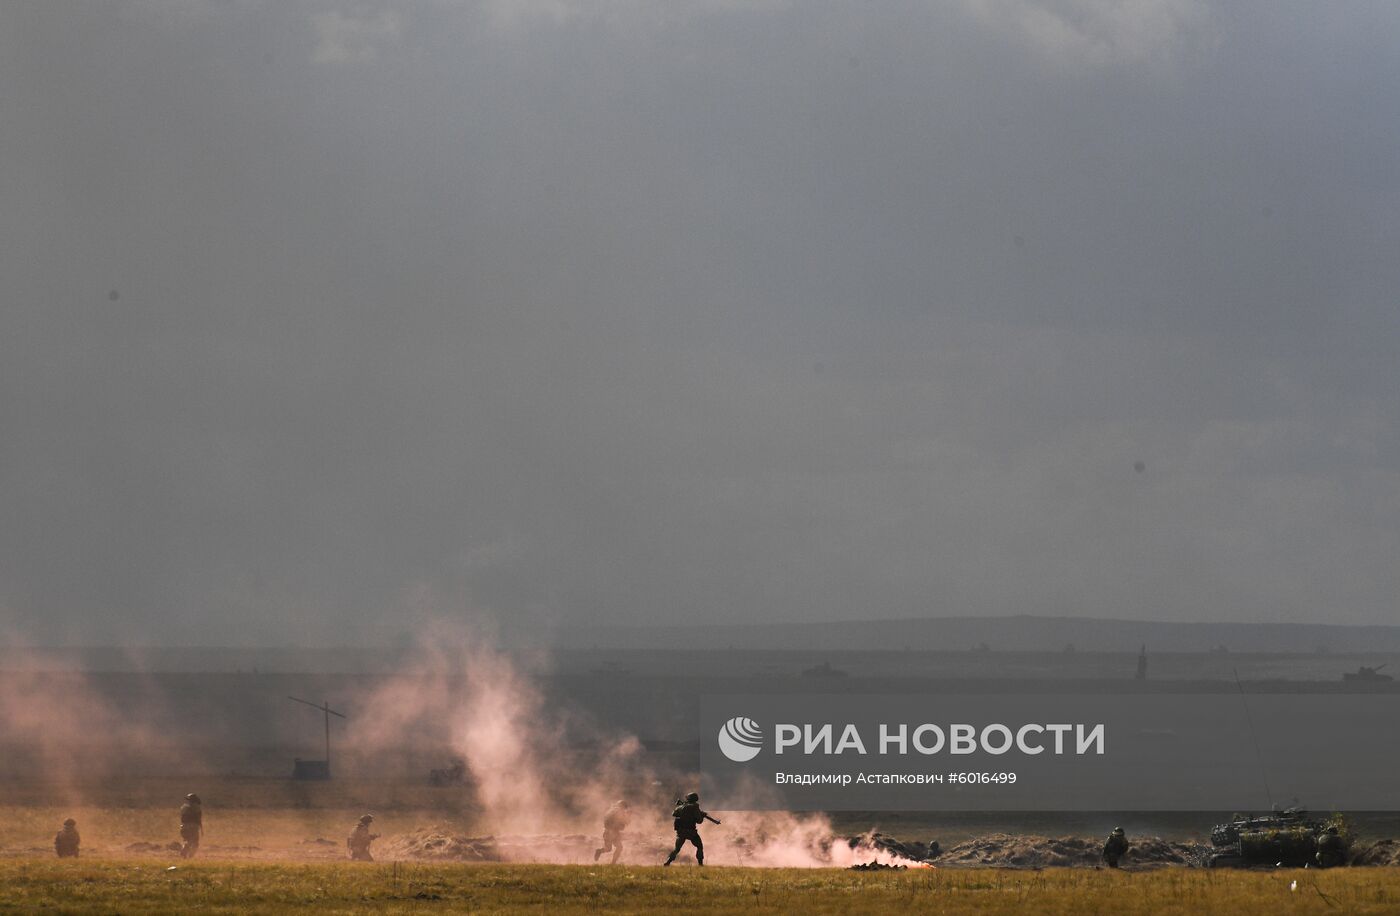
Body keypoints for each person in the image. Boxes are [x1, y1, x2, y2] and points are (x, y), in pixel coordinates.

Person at [664, 792, 719, 867]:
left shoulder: (682, 807)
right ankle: (700, 865)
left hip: (681, 832)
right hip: (691, 832)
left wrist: (683, 807)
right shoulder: (695, 807)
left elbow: (674, 813)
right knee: (699, 846)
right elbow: (699, 821)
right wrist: (701, 815)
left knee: (677, 849)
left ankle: (668, 862)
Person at [179, 793, 203, 859]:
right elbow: (199, 818)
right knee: (195, 843)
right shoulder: (197, 808)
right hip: (193, 827)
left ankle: (185, 852)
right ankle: (190, 856)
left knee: (187, 840)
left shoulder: (183, 807)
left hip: (183, 826)